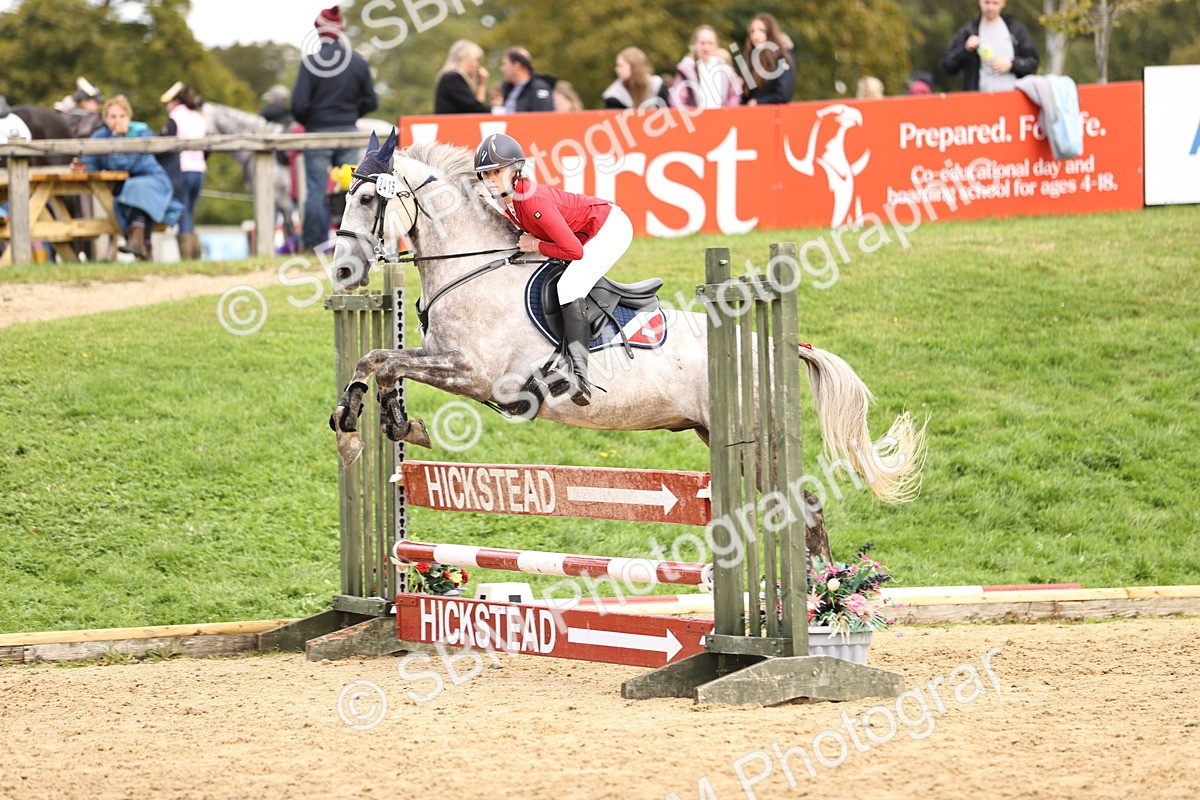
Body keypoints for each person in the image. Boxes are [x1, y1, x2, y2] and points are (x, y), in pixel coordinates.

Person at [474, 133, 633, 406]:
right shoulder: (506, 200)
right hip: (583, 233)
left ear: (515, 171)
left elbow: (574, 251)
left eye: (496, 171)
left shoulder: (531, 200)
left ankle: (580, 374)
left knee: (569, 286)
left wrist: (535, 244)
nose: (489, 178)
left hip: (609, 228)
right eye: (484, 173)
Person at [292, 5, 378, 251]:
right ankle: (348, 245)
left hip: (318, 134)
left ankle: (312, 245)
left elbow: (298, 105)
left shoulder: (310, 62)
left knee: (316, 191)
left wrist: (313, 121)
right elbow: (371, 101)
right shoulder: (358, 62)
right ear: (340, 31)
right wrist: (350, 116)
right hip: (348, 134)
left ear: (319, 31)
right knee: (351, 189)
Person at [75, 96, 181, 260]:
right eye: (113, 116)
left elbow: (125, 165)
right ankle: (143, 248)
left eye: (121, 116)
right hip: (126, 187)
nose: (117, 121)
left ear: (129, 117)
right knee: (130, 193)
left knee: (136, 189)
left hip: (153, 181)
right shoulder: (100, 136)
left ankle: (139, 244)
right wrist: (81, 167)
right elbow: (89, 160)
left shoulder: (141, 133)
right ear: (105, 119)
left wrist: (118, 138)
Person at [940, 0, 1039, 92]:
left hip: (1014, 98)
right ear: (980, 2)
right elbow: (947, 65)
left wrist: (1012, 64)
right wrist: (965, 50)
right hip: (980, 102)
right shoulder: (969, 32)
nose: (990, 7)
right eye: (986, 2)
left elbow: (1033, 62)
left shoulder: (1016, 29)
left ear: (1003, 3)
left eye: (995, 3)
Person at [160, 82, 207, 260]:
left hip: (181, 170)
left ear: (175, 101)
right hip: (199, 169)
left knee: (182, 213)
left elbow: (166, 144)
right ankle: (195, 256)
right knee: (190, 212)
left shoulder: (175, 118)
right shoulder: (199, 117)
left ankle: (188, 258)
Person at [671, 25, 741, 109]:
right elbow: (677, 100)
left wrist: (729, 113)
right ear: (695, 45)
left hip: (722, 119)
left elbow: (734, 95)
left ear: (716, 45)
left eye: (710, 43)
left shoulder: (725, 69)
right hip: (696, 119)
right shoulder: (686, 69)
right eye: (702, 43)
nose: (706, 48)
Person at [741, 13, 796, 105]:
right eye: (752, 31)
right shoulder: (749, 59)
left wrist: (758, 102)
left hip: (776, 114)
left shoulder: (782, 57)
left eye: (761, 30)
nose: (755, 35)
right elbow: (748, 96)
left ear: (770, 32)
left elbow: (784, 94)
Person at [602, 47, 670, 110]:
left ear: (634, 66)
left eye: (621, 65)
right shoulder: (615, 96)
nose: (617, 69)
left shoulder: (657, 86)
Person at [491, 47, 556, 113]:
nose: (502, 69)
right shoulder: (506, 88)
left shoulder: (539, 89)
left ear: (516, 65)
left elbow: (543, 117)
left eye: (505, 64)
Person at [434, 40, 491, 114]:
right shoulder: (453, 78)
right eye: (475, 60)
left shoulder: (451, 78)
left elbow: (477, 109)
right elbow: (475, 108)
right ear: (465, 59)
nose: (476, 64)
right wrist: (496, 110)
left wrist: (481, 84)